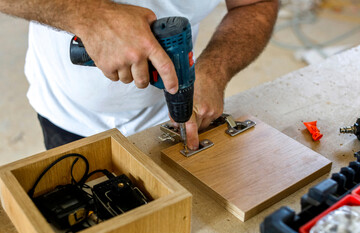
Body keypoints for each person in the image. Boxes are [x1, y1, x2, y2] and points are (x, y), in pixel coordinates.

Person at [0, 0, 278, 150]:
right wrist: (87, 15)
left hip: (161, 122)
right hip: (69, 115)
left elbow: (254, 4)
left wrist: (215, 71)